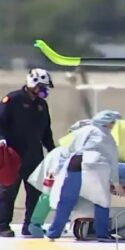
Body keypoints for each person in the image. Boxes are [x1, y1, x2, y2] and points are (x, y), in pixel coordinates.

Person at [47, 110, 124, 242]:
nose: (113, 125)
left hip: (75, 164)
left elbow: (67, 150)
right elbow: (113, 160)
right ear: (107, 123)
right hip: (96, 167)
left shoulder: (84, 130)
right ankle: (102, 234)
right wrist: (116, 183)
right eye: (113, 123)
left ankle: (53, 233)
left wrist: (57, 169)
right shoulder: (107, 137)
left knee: (66, 201)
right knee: (102, 201)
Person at [0, 68, 55, 237]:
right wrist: (1, 138)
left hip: (34, 155)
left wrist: (52, 150)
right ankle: (2, 225)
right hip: (13, 154)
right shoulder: (13, 99)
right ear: (33, 83)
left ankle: (29, 225)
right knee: (8, 191)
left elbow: (46, 131)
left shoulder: (41, 105)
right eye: (42, 86)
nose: (43, 91)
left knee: (35, 192)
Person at [27, 119, 92, 238]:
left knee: (53, 196)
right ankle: (37, 224)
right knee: (52, 195)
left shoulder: (76, 143)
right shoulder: (76, 144)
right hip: (58, 167)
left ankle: (40, 224)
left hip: (61, 166)